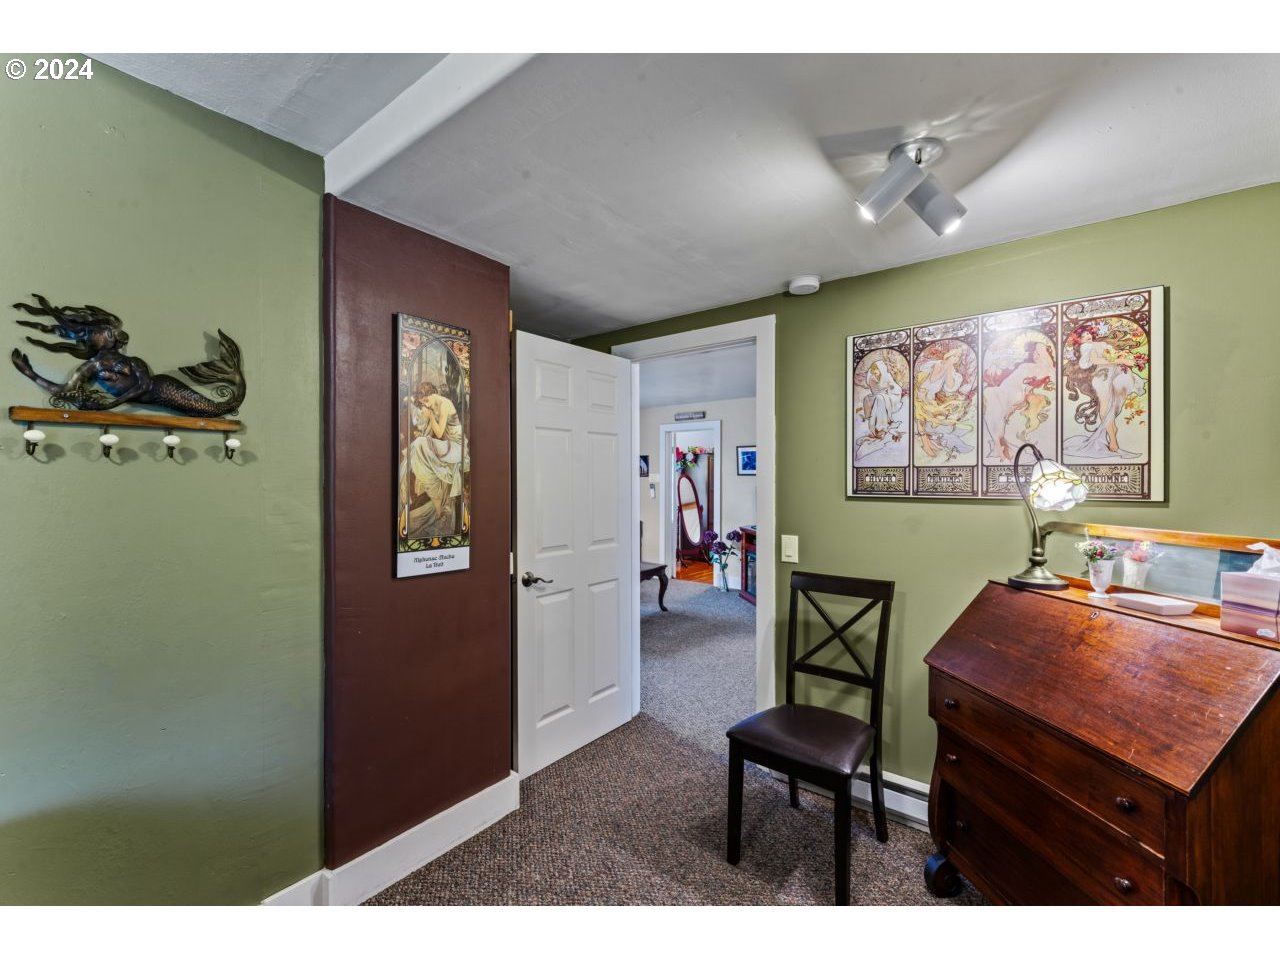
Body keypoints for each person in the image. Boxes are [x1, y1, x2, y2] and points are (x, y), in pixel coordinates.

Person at [1063, 326, 1142, 460]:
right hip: (1102, 377)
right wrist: (1120, 360)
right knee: (1106, 406)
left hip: (1113, 373)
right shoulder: (1086, 347)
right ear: (1079, 341)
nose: (1087, 336)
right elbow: (1096, 361)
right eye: (1083, 336)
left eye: (1088, 333)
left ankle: (1112, 433)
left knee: (1114, 405)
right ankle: (1113, 441)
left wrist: (1123, 358)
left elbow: (1113, 355)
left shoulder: (1101, 344)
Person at [401, 382, 467, 534]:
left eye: (426, 400)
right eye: (423, 402)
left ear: (431, 394)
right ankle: (434, 499)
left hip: (456, 448)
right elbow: (433, 433)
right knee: (418, 445)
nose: (426, 404)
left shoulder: (444, 404)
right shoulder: (434, 405)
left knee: (419, 444)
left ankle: (440, 505)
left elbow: (438, 433)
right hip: (447, 445)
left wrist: (430, 417)